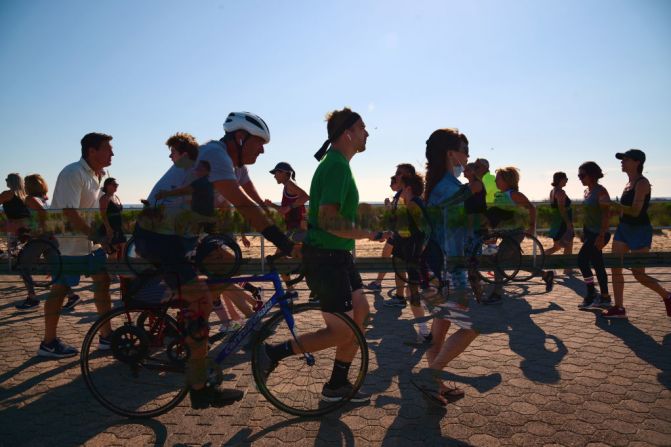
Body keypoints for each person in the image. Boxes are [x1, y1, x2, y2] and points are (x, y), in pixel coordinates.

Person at [258, 107, 380, 403]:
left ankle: (336, 385)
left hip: (338, 256)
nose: (368, 132)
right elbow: (328, 219)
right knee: (340, 332)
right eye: (363, 127)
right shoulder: (336, 165)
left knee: (361, 315)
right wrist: (367, 233)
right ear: (348, 133)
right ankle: (271, 353)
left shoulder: (338, 163)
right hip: (326, 258)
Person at [37, 133, 115, 358]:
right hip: (67, 246)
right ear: (92, 151)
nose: (112, 153)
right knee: (59, 290)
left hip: (87, 245)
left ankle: (106, 337)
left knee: (103, 280)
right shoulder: (73, 172)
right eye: (108, 149)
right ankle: (48, 343)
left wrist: (101, 234)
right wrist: (98, 237)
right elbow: (69, 213)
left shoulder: (96, 175)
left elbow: (88, 209)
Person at [418, 128, 479, 404]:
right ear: (452, 153)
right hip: (448, 270)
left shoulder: (435, 186)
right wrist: (460, 282)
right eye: (465, 150)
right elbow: (454, 239)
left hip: (431, 269)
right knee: (473, 326)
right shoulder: (452, 190)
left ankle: (436, 387)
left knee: (439, 329)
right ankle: (431, 376)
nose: (468, 155)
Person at [605, 149, 671, 319]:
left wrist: (614, 204)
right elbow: (626, 211)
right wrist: (615, 213)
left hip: (640, 231)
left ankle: (667, 296)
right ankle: (619, 307)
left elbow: (635, 211)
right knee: (615, 267)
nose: (622, 162)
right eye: (622, 159)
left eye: (625, 159)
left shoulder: (642, 183)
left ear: (637, 162)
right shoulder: (628, 183)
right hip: (623, 229)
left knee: (638, 274)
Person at [481, 167, 554, 305]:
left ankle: (497, 294)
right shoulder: (499, 195)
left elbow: (531, 208)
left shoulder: (514, 195)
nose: (495, 181)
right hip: (503, 233)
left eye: (498, 179)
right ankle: (546, 275)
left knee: (498, 260)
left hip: (515, 233)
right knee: (515, 262)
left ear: (507, 181)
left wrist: (531, 227)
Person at [13, 174, 81, 312]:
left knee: (22, 265)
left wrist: (38, 230)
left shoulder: (31, 199)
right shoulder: (44, 199)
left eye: (26, 184)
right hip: (50, 239)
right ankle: (72, 296)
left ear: (30, 186)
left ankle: (32, 298)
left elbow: (43, 214)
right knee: (56, 269)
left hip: (41, 239)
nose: (24, 186)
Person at [367, 163, 416, 297]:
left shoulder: (408, 192)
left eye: (400, 173)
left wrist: (388, 233)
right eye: (397, 173)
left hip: (406, 237)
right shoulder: (402, 193)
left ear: (408, 176)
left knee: (408, 269)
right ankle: (399, 295)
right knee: (401, 267)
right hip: (400, 236)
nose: (396, 176)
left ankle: (402, 296)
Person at [263, 161, 309, 297]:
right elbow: (284, 211)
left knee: (278, 259)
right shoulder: (286, 187)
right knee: (296, 259)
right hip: (293, 230)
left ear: (284, 173)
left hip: (296, 231)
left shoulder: (290, 184)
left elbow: (306, 196)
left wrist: (290, 207)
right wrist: (273, 206)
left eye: (276, 173)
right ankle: (292, 289)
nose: (274, 176)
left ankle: (294, 289)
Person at [576, 161, 612, 310]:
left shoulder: (601, 191)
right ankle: (603, 297)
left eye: (582, 175)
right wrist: (584, 233)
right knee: (597, 264)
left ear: (591, 175)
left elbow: (606, 215)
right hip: (590, 233)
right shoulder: (587, 192)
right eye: (578, 175)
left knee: (582, 261)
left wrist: (601, 236)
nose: (580, 178)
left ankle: (592, 294)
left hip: (599, 234)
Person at [463, 162, 487, 301]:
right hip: (470, 226)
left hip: (476, 227)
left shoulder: (476, 184)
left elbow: (460, 198)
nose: (464, 171)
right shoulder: (468, 185)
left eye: (466, 169)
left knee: (472, 261)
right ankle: (478, 290)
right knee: (470, 260)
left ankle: (479, 292)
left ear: (472, 172)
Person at [545, 172, 574, 274]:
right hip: (562, 223)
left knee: (557, 246)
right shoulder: (560, 192)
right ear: (560, 180)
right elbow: (562, 209)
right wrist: (568, 223)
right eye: (566, 178)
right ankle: (567, 269)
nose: (567, 180)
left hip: (556, 222)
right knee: (568, 246)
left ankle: (541, 258)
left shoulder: (553, 191)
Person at [1, 173, 30, 255]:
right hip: (27, 224)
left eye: (7, 179)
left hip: (13, 224)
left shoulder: (7, 194)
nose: (5, 181)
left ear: (11, 182)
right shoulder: (25, 195)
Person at [98, 178, 126, 260]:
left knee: (121, 251)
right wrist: (108, 229)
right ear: (107, 186)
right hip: (110, 228)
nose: (116, 186)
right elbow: (103, 215)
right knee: (112, 252)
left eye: (117, 185)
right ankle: (111, 271)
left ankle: (115, 270)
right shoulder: (104, 198)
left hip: (118, 228)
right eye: (114, 184)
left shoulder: (116, 197)